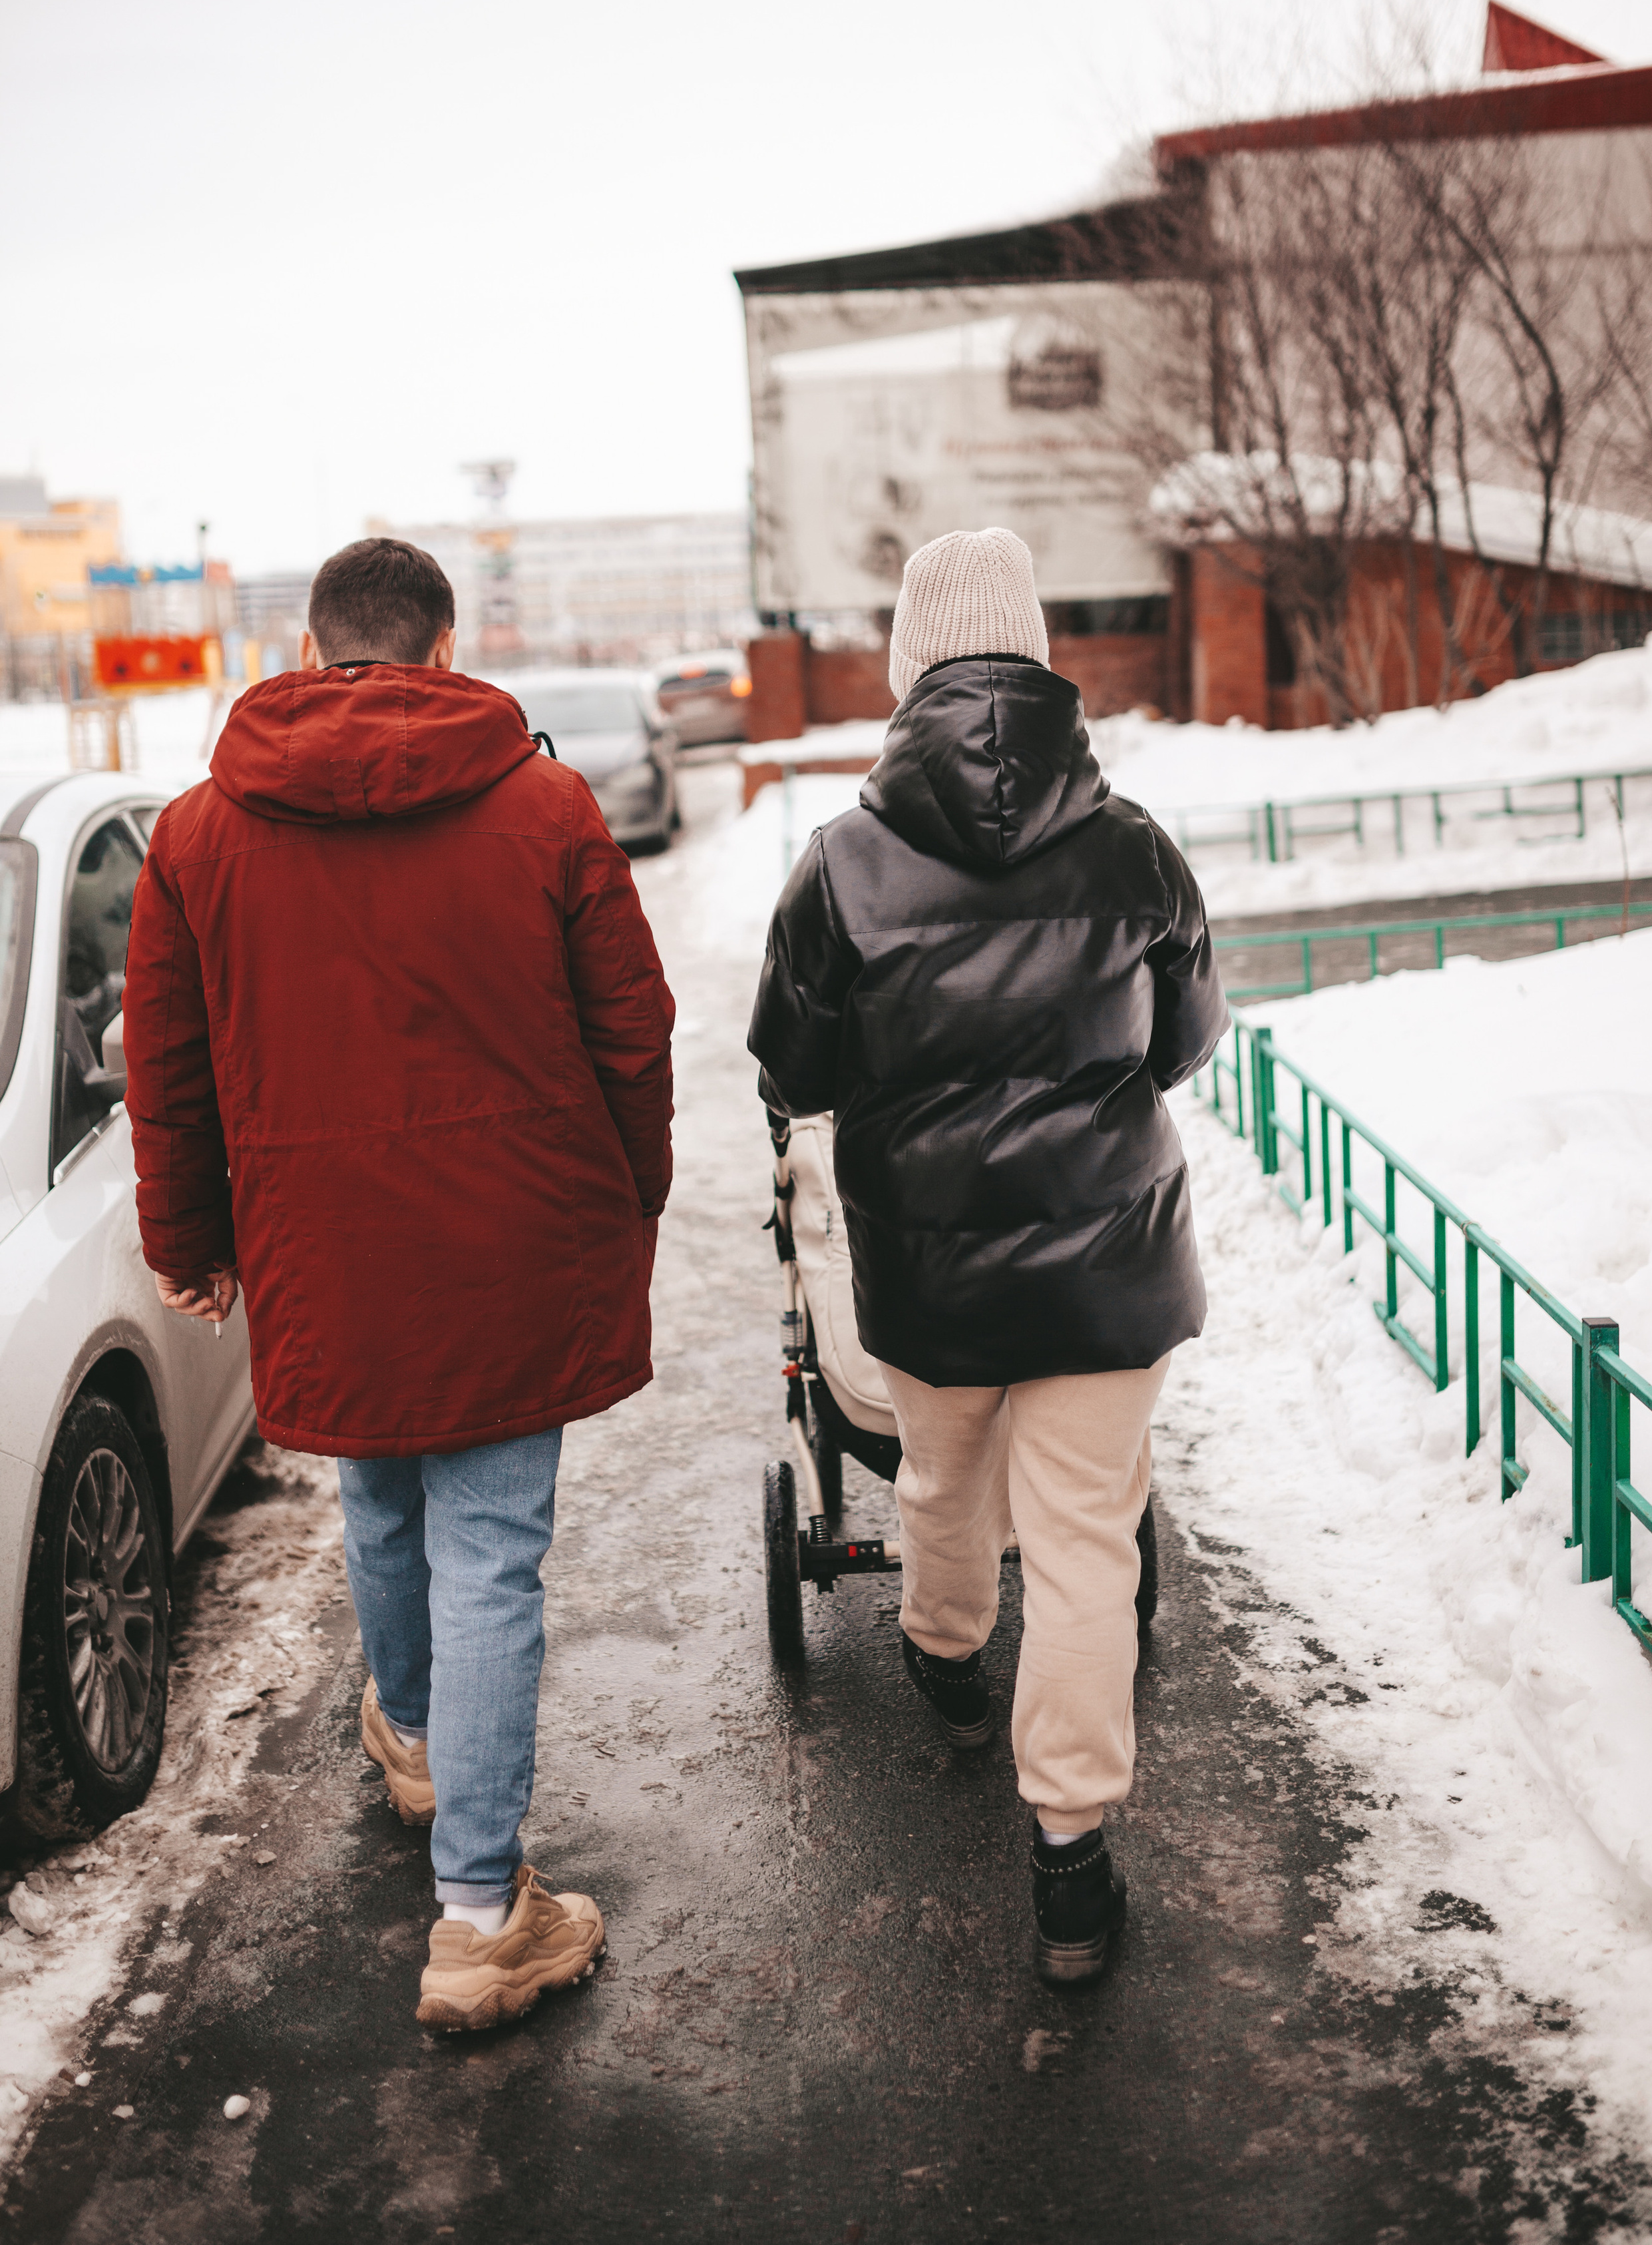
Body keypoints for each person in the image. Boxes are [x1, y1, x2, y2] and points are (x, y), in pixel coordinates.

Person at [124, 536, 674, 2031]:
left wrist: (189, 1242)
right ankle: (483, 1914)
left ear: (311, 654)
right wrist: (635, 1198)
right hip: (513, 1241)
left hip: (323, 1247)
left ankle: (421, 1737)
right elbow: (633, 1028)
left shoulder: (194, 836)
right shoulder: (548, 807)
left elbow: (163, 1072)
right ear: (442, 650)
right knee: (490, 1554)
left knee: (378, 1498)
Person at [748, 526, 1227, 1985]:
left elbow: (794, 1065)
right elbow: (1184, 1042)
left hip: (930, 1270)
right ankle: (1071, 1864)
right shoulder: (1133, 842)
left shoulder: (839, 866)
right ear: (1037, 660)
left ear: (908, 670)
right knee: (1085, 1549)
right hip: (1107, 1267)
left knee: (943, 1482)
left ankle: (946, 1663)